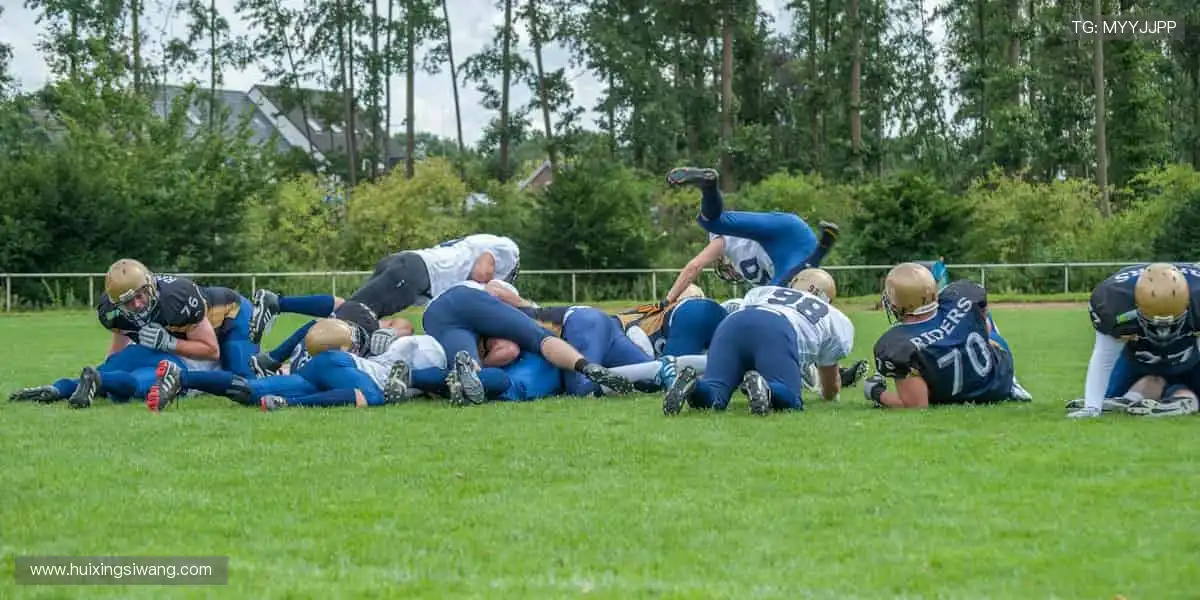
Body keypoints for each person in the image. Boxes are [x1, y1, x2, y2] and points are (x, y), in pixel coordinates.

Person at [9, 258, 259, 407]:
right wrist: (111, 367)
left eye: (140, 296)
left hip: (229, 316)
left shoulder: (177, 299)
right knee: (130, 375)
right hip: (172, 351)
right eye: (129, 302)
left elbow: (211, 350)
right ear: (116, 304)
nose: (137, 304)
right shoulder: (112, 312)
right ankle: (61, 389)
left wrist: (169, 343)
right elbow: (116, 353)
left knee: (243, 382)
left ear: (150, 286)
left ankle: (69, 386)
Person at [248, 234, 520, 343]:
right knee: (354, 319)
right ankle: (274, 357)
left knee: (349, 309)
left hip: (409, 267)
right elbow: (481, 270)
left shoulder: (466, 247)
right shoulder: (507, 249)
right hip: (417, 273)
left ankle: (280, 304)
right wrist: (487, 295)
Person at [662, 275, 856, 416]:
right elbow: (830, 383)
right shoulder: (834, 317)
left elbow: (748, 312)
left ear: (794, 283)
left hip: (733, 324)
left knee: (714, 393)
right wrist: (829, 394)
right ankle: (767, 389)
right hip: (776, 329)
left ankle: (694, 384)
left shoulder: (766, 291)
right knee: (790, 399)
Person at [658, 167, 839, 305]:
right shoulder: (758, 275)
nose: (730, 271)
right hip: (791, 239)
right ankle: (709, 184)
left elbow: (694, 266)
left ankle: (821, 251)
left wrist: (668, 300)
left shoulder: (723, 242)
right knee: (711, 222)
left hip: (785, 237)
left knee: (772, 298)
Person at [862, 263, 1029, 409]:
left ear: (898, 304)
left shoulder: (897, 344)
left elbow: (916, 405)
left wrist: (876, 393)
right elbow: (984, 329)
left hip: (952, 394)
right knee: (981, 317)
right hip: (999, 382)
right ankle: (1013, 384)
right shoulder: (961, 297)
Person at [1066, 262, 1200, 418]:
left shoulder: (1197, 298)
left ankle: (1179, 397)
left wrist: (1092, 407)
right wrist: (1092, 407)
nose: (1163, 331)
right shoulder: (1114, 300)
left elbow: (1104, 356)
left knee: (1187, 384)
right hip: (1138, 356)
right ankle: (1136, 397)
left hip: (1188, 354)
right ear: (1136, 303)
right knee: (1111, 392)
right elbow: (1105, 354)